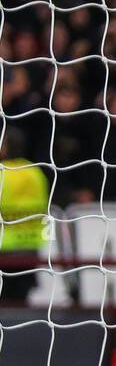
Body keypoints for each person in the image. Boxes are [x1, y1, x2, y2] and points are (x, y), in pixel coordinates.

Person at [0, 127, 49, 304]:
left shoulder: (3, 172)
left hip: (5, 248)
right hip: (31, 246)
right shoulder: (35, 172)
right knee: (22, 301)